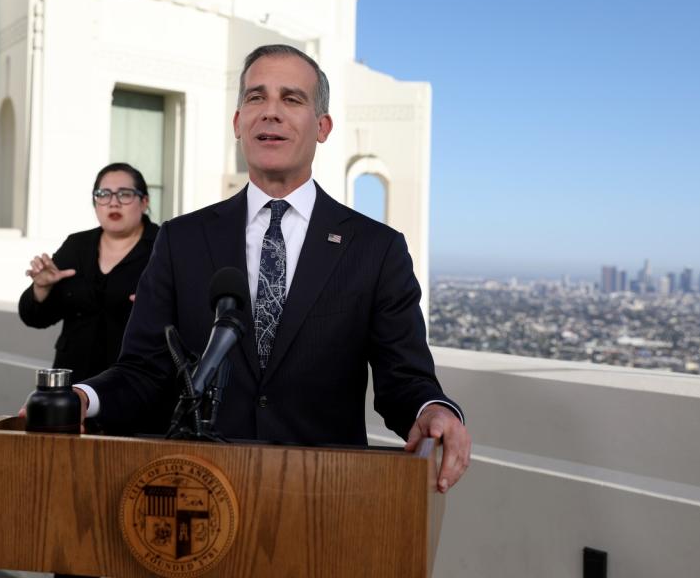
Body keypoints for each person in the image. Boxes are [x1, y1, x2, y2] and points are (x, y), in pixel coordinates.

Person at [74, 45, 471, 493]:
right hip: (198, 495)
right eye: (256, 98)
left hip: (324, 500)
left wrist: (435, 410)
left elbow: (404, 381)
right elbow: (143, 371)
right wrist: (82, 398)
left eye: (292, 99)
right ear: (238, 122)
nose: (271, 113)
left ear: (322, 127)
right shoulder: (181, 240)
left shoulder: (376, 250)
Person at [18, 162, 159, 383]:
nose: (113, 202)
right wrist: (41, 287)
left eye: (124, 194)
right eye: (103, 194)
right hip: (73, 380)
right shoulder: (77, 245)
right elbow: (34, 318)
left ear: (144, 202)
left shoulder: (161, 247)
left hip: (134, 383)